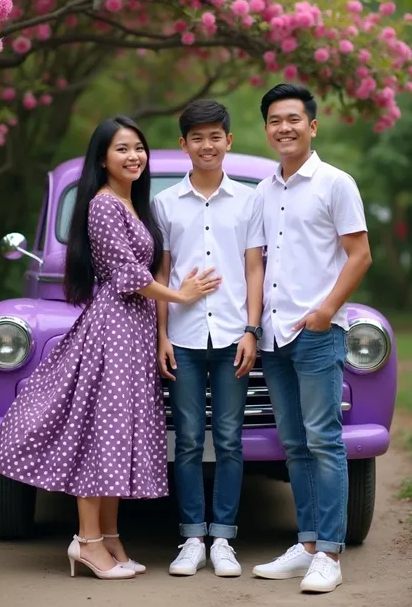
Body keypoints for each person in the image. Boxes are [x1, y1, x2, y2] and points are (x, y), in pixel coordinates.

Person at [0, 115, 221, 581]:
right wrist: (181, 297)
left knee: (118, 435)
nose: (134, 156)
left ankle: (110, 539)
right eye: (122, 149)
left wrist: (160, 330)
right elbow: (128, 276)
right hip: (113, 328)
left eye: (138, 147)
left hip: (132, 330)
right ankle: (88, 542)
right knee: (101, 435)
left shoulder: (134, 203)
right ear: (102, 158)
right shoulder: (103, 206)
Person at [251, 84, 372, 594]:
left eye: (294, 119)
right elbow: (255, 262)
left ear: (312, 126)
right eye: (275, 120)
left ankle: (330, 553)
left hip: (317, 334)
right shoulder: (263, 190)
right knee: (295, 444)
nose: (285, 127)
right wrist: (254, 327)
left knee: (324, 442)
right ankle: (305, 546)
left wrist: (325, 313)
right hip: (274, 336)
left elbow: (360, 254)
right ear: (267, 128)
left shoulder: (335, 183)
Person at [153, 100, 265, 578]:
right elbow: (159, 272)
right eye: (196, 137)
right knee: (188, 440)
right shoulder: (164, 203)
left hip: (232, 337)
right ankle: (192, 537)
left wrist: (251, 330)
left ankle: (223, 538)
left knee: (230, 439)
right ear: (184, 145)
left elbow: (254, 267)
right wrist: (161, 335)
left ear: (229, 140)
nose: (206, 145)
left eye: (215, 136)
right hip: (183, 337)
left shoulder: (250, 200)